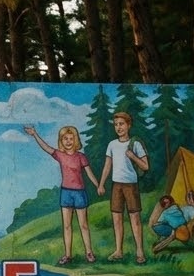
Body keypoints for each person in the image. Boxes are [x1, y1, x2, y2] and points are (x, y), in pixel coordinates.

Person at [22, 124, 99, 265]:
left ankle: (89, 252)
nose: (68, 141)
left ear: (75, 140)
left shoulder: (81, 157)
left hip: (79, 193)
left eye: (71, 138)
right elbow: (46, 147)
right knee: (67, 226)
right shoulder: (60, 155)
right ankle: (68, 255)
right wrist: (34, 134)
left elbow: (89, 173)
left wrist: (98, 185)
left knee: (83, 225)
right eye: (65, 139)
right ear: (61, 141)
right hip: (66, 193)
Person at [96, 111, 149, 264]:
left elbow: (145, 166)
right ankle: (119, 250)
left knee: (135, 218)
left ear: (129, 125)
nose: (118, 127)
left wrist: (133, 156)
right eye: (116, 125)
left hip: (131, 185)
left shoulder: (135, 143)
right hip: (116, 185)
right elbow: (107, 165)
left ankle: (139, 251)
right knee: (117, 219)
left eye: (121, 124)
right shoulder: (112, 144)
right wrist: (101, 183)